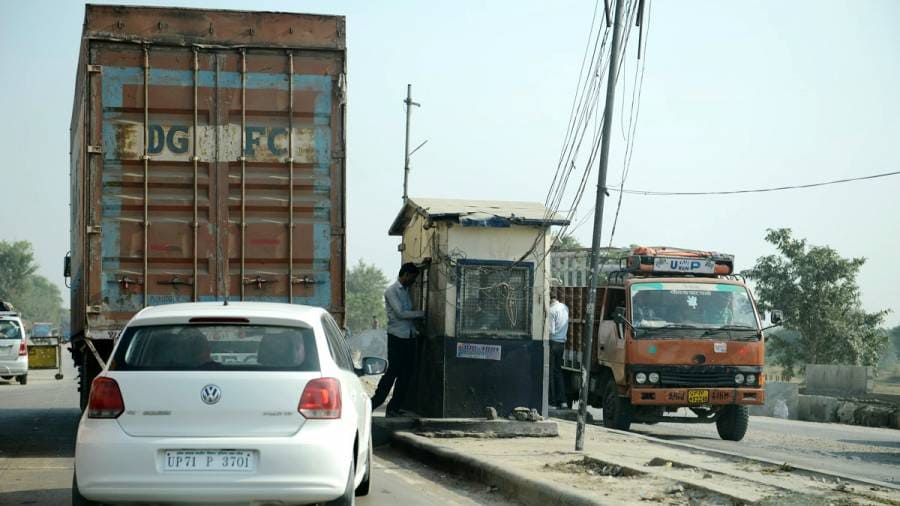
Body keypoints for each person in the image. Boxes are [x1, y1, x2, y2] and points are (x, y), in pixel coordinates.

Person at [371, 262, 425, 416]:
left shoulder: (407, 291)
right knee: (392, 372)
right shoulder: (392, 291)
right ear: (406, 274)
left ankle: (393, 408)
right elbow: (401, 314)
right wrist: (421, 313)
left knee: (406, 375)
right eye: (412, 278)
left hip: (409, 337)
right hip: (396, 337)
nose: (413, 282)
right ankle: (374, 403)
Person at [548, 284, 570, 409]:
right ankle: (563, 401)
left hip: (553, 343)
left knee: (550, 373)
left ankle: (552, 402)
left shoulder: (551, 311)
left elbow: (551, 330)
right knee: (558, 372)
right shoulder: (564, 307)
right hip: (562, 343)